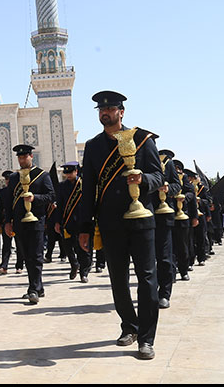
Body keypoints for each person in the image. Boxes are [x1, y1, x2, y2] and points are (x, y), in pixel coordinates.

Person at [78, 91, 163, 360]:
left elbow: (158, 175)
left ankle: (147, 338)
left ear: (121, 112)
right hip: (110, 222)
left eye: (111, 109)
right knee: (118, 280)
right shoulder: (93, 146)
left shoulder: (141, 139)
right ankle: (130, 326)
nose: (105, 112)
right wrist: (85, 227)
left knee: (147, 279)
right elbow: (88, 188)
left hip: (140, 220)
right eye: (101, 110)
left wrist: (143, 179)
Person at [6, 144, 56, 305]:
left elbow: (51, 196)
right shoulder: (14, 178)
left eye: (24, 157)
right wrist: (7, 221)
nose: (22, 160)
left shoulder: (41, 175)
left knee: (36, 255)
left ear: (31, 156)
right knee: (27, 255)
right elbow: (9, 203)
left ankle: (33, 288)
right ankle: (38, 286)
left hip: (36, 221)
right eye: (20, 157)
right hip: (19, 222)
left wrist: (35, 198)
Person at [151, 149, 180, 309]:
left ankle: (164, 293)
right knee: (146, 258)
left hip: (163, 215)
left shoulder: (167, 165)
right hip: (143, 214)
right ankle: (150, 291)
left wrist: (168, 189)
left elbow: (177, 185)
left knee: (164, 257)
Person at [52, 162, 82, 281]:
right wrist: (57, 221)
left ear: (76, 171)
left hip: (81, 220)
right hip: (67, 220)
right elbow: (60, 205)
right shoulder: (62, 186)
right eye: (66, 173)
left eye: (70, 172)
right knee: (67, 245)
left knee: (81, 247)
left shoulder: (83, 184)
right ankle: (74, 264)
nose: (68, 175)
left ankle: (84, 271)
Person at [0, 170, 16, 275]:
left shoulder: (18, 191)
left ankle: (19, 265)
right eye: (6, 179)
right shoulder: (3, 192)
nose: (7, 181)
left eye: (9, 179)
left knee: (20, 245)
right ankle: (4, 266)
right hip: (6, 221)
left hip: (18, 221)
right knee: (6, 244)